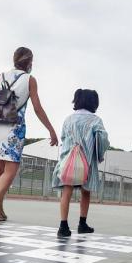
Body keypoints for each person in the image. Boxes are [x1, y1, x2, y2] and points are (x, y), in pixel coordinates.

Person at [0, 47, 58, 225]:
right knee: (10, 171)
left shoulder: (0, 76)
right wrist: (51, 130)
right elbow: (37, 108)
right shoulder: (30, 80)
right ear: (30, 62)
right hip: (13, 128)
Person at [52, 89, 108, 238]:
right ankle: (82, 224)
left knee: (67, 191)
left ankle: (63, 226)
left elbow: (64, 138)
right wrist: (99, 154)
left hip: (69, 160)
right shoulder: (96, 120)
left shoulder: (68, 119)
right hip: (87, 161)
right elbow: (102, 140)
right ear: (93, 103)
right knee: (86, 191)